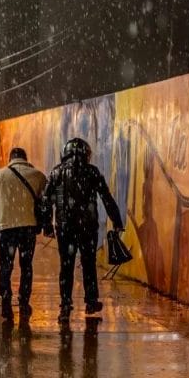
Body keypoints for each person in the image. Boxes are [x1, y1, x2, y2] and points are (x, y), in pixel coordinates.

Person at [43, 137, 125, 321]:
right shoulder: (92, 172)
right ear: (86, 154)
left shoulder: (56, 172)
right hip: (88, 227)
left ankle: (65, 305)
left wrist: (47, 226)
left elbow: (46, 201)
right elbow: (106, 198)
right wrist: (117, 221)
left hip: (64, 227)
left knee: (66, 266)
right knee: (89, 264)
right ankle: (90, 302)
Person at [0, 147, 48, 320]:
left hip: (5, 229)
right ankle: (24, 302)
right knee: (26, 267)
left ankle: (6, 303)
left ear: (10, 159)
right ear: (25, 159)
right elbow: (46, 204)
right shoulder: (38, 176)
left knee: (6, 267)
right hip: (28, 228)